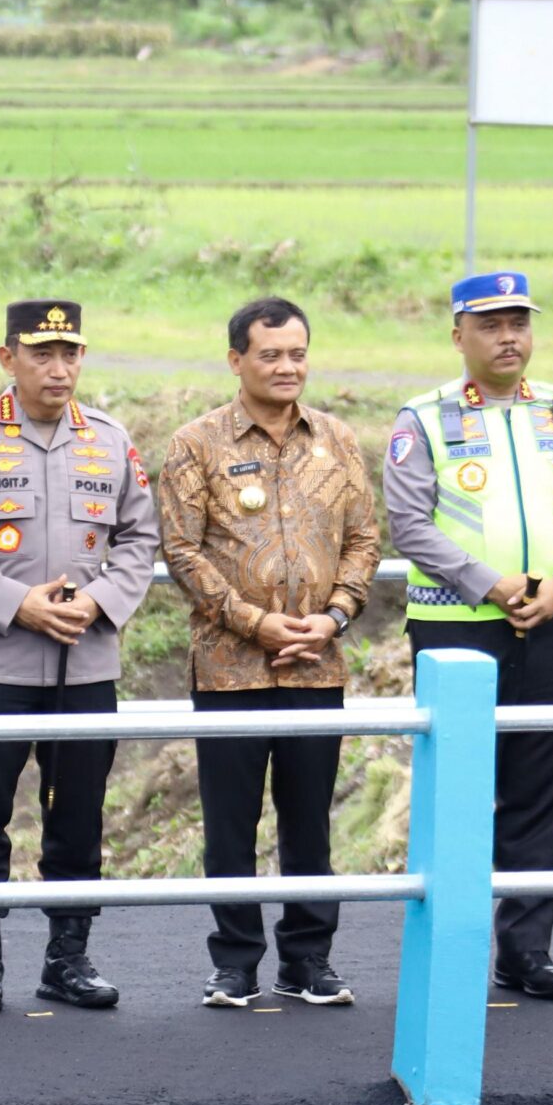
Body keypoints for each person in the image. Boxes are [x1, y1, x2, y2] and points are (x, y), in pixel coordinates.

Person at [0, 300, 161, 1013]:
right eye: (42, 353)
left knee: (79, 811)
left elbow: (140, 540)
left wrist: (101, 600)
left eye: (70, 353)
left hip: (85, 662)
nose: (59, 368)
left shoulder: (112, 442)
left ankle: (69, 954)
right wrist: (13, 601)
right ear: (8, 358)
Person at [384, 271, 553, 1001]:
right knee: (458, 789)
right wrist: (487, 582)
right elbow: (410, 523)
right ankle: (451, 947)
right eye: (490, 323)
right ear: (459, 335)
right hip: (457, 628)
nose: (508, 336)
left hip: (551, 625)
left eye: (518, 321)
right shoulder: (422, 418)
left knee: (545, 784)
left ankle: (526, 949)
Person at [158, 296, 378, 1010]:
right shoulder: (196, 445)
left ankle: (309, 959)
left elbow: (365, 539)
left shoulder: (339, 441)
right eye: (271, 354)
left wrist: (334, 616)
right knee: (230, 825)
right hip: (230, 670)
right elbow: (182, 550)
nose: (288, 367)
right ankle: (235, 964)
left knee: (309, 822)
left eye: (297, 354)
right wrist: (256, 622)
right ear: (236, 360)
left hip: (318, 663)